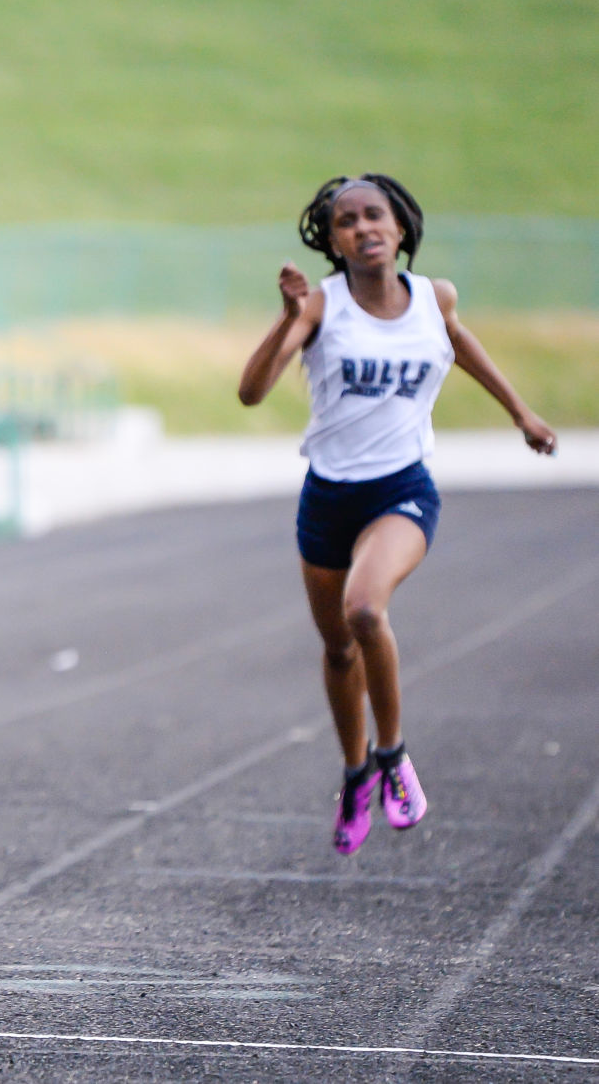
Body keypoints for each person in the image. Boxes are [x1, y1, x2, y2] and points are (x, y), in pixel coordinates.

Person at [238, 173, 557, 857]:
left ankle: (393, 755)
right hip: (328, 499)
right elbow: (251, 392)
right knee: (337, 647)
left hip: (401, 491)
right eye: (346, 221)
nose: (363, 227)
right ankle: (355, 774)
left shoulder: (435, 298)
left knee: (363, 609)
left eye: (374, 214)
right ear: (333, 241)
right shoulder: (320, 306)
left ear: (401, 226)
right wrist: (287, 318)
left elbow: (458, 341)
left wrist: (521, 413)